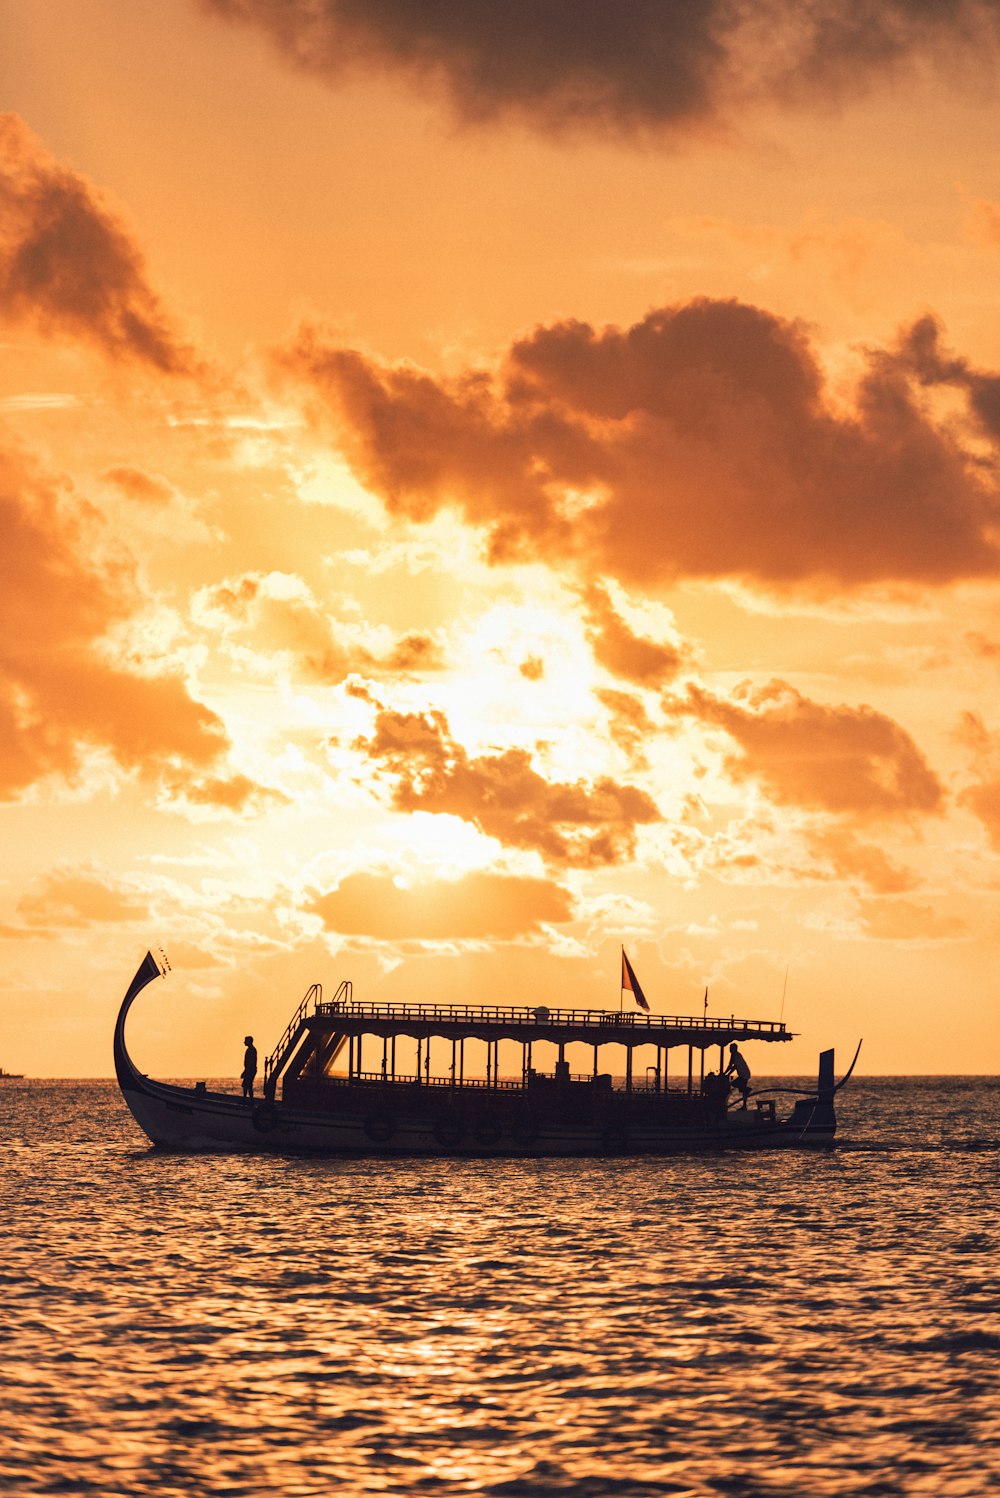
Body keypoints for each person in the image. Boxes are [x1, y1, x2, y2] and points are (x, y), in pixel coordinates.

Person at [724, 1043, 751, 1108]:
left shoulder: (737, 1055)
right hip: (742, 1075)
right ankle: (744, 1105)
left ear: (735, 1049)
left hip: (744, 1074)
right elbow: (730, 1065)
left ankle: (747, 1090)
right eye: (729, 1049)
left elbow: (734, 1067)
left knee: (734, 1084)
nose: (730, 1050)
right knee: (742, 1090)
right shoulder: (733, 1055)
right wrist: (724, 1073)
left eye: (731, 1049)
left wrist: (728, 1074)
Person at [242, 1035, 257, 1100]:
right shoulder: (251, 1049)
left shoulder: (251, 1050)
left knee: (248, 1085)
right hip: (249, 1069)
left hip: (250, 1070)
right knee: (246, 1085)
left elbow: (251, 1062)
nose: (244, 1042)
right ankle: (246, 1099)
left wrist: (246, 1071)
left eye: (245, 1041)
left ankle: (249, 1099)